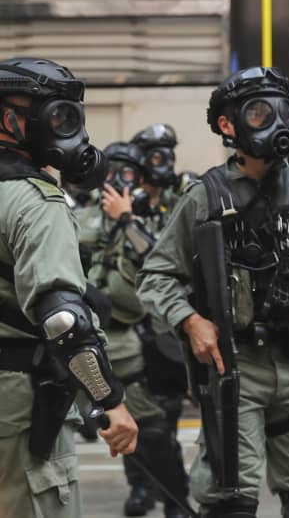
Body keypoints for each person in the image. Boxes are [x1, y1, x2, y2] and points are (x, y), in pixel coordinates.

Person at [137, 67, 289, 517]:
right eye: (260, 112)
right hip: (236, 368)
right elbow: (155, 277)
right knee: (232, 501)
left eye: (283, 110)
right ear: (228, 125)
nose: (277, 123)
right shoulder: (205, 196)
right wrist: (191, 322)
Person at [0, 57, 139, 518]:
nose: (67, 131)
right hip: (15, 406)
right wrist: (110, 401)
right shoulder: (36, 201)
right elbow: (63, 320)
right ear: (9, 120)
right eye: (57, 116)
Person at [78, 141, 190, 517]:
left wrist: (127, 219)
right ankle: (140, 487)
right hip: (101, 333)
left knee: (156, 427)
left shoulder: (150, 213)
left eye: (128, 172)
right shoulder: (86, 214)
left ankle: (175, 497)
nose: (118, 180)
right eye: (112, 171)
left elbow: (162, 257)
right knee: (119, 417)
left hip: (143, 333)